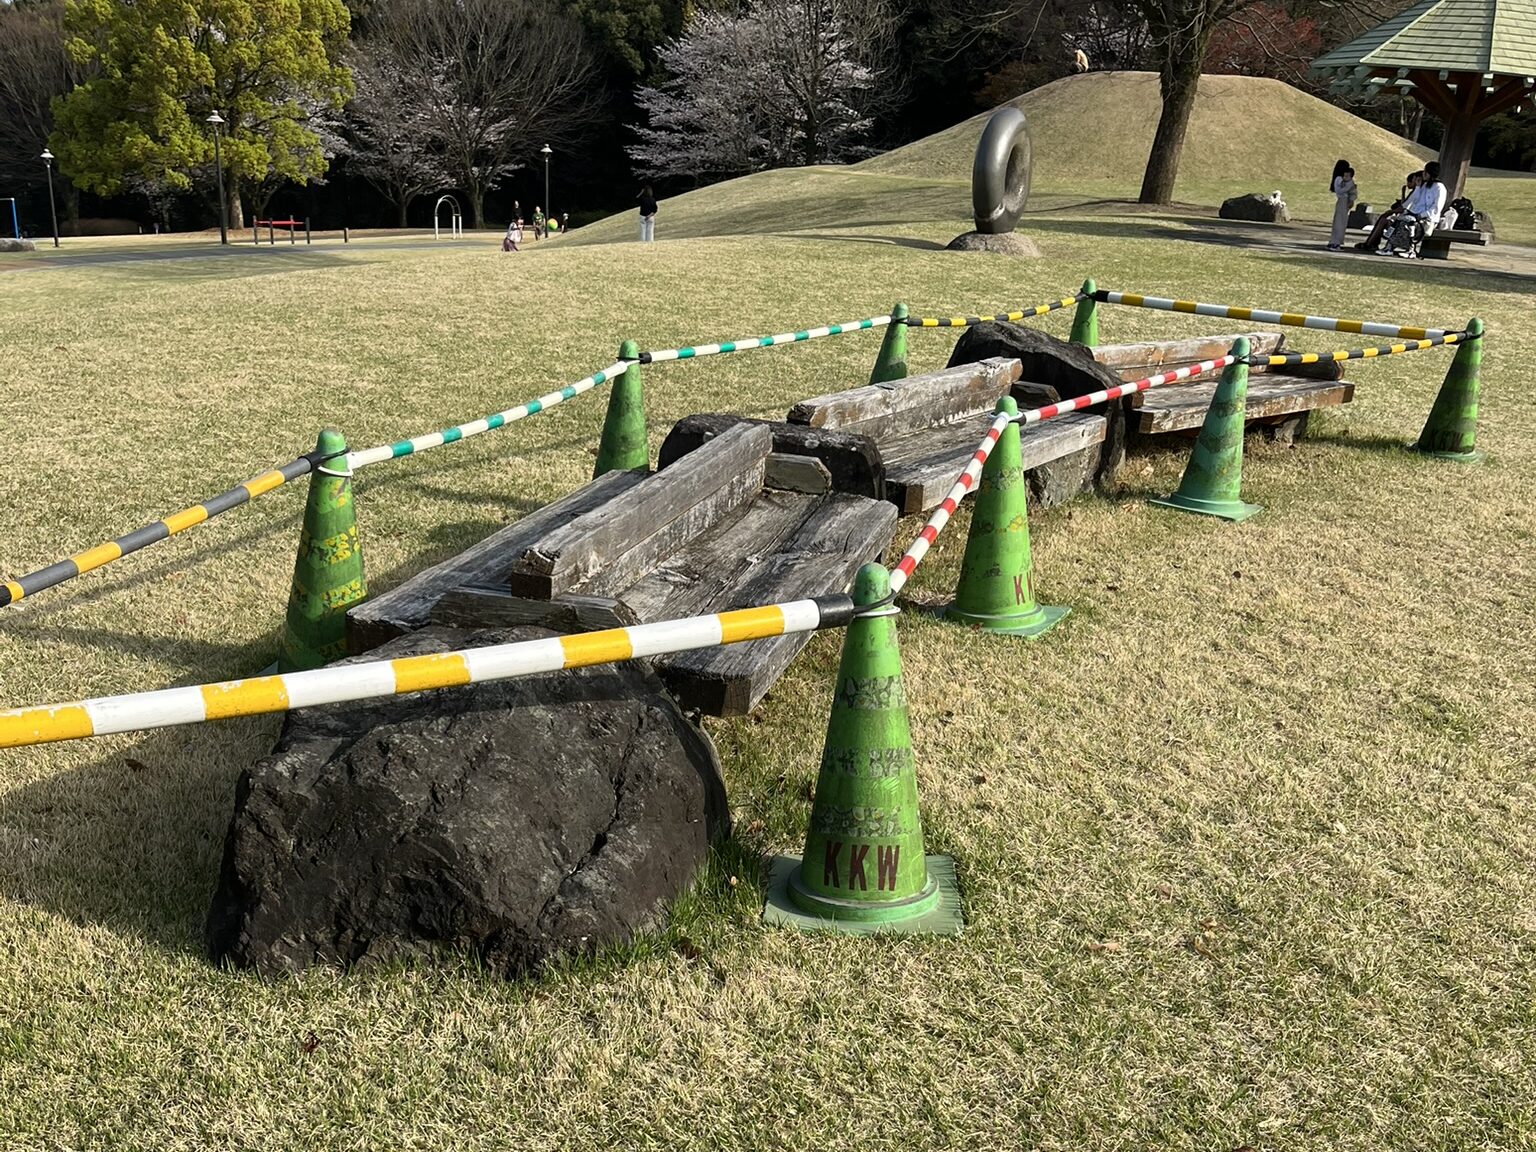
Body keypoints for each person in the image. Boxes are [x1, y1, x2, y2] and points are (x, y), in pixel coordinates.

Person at [1383, 161, 1446, 258]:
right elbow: (1415, 200)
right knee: (1399, 219)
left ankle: (1410, 250)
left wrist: (1421, 215)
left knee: (1409, 222)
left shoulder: (1439, 188)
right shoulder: (1424, 186)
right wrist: (1417, 187)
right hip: (1416, 216)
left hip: (1428, 219)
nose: (1423, 174)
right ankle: (1389, 247)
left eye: (1425, 172)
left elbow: (1436, 208)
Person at [1357, 170, 1420, 253]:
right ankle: (1371, 242)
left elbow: (1403, 208)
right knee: (1383, 218)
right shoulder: (1414, 192)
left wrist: (1391, 211)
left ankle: (1371, 243)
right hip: (1403, 217)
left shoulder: (1416, 193)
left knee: (1384, 220)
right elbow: (1404, 205)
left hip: (1407, 220)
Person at [1328, 164, 1356, 251]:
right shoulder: (1342, 180)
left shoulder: (1343, 181)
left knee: (1340, 221)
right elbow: (1341, 190)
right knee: (1340, 222)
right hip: (1343, 200)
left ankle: (1335, 241)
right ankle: (1336, 242)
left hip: (1344, 200)